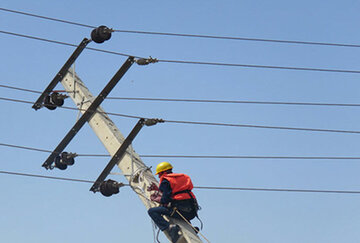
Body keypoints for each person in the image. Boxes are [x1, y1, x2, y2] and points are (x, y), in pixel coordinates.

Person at [147, 161, 199, 243]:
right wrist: (158, 189)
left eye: (159, 174)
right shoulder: (181, 178)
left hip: (179, 211)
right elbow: (175, 192)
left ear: (163, 172)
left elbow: (165, 200)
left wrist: (157, 199)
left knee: (152, 211)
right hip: (192, 213)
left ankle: (169, 227)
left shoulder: (165, 181)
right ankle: (191, 228)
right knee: (178, 208)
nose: (159, 176)